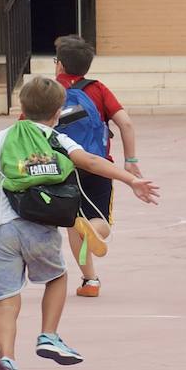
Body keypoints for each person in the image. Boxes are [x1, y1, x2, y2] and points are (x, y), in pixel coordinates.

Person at [0, 77, 159, 370]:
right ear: (59, 111)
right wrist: (131, 179)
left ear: (21, 107)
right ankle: (48, 335)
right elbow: (90, 161)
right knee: (57, 277)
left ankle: (6, 361)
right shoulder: (59, 139)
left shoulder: (3, 137)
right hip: (39, 226)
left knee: (6, 300)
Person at [52, 34, 142, 299]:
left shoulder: (47, 90)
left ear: (59, 65)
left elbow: (27, 129)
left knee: (73, 224)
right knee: (99, 221)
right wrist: (131, 160)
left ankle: (90, 281)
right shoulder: (98, 89)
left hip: (62, 169)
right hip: (98, 167)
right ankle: (92, 230)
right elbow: (125, 123)